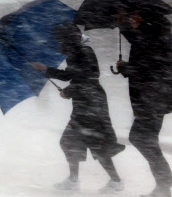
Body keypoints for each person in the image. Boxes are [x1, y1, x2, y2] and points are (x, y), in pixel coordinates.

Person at [31, 23, 125, 193]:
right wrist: (46, 69)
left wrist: (69, 91)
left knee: (85, 143)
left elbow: (88, 78)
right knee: (82, 143)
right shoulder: (76, 52)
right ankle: (109, 181)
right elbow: (71, 75)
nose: (58, 44)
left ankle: (111, 181)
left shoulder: (82, 52)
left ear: (67, 39)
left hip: (91, 104)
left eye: (60, 40)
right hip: (88, 103)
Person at [115, 11, 172, 197]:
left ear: (146, 17)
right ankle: (163, 187)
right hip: (152, 96)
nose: (132, 19)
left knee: (140, 138)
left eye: (134, 16)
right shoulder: (154, 33)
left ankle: (165, 180)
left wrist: (126, 68)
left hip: (153, 97)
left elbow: (150, 68)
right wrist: (123, 25)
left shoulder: (155, 36)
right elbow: (140, 44)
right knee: (146, 139)